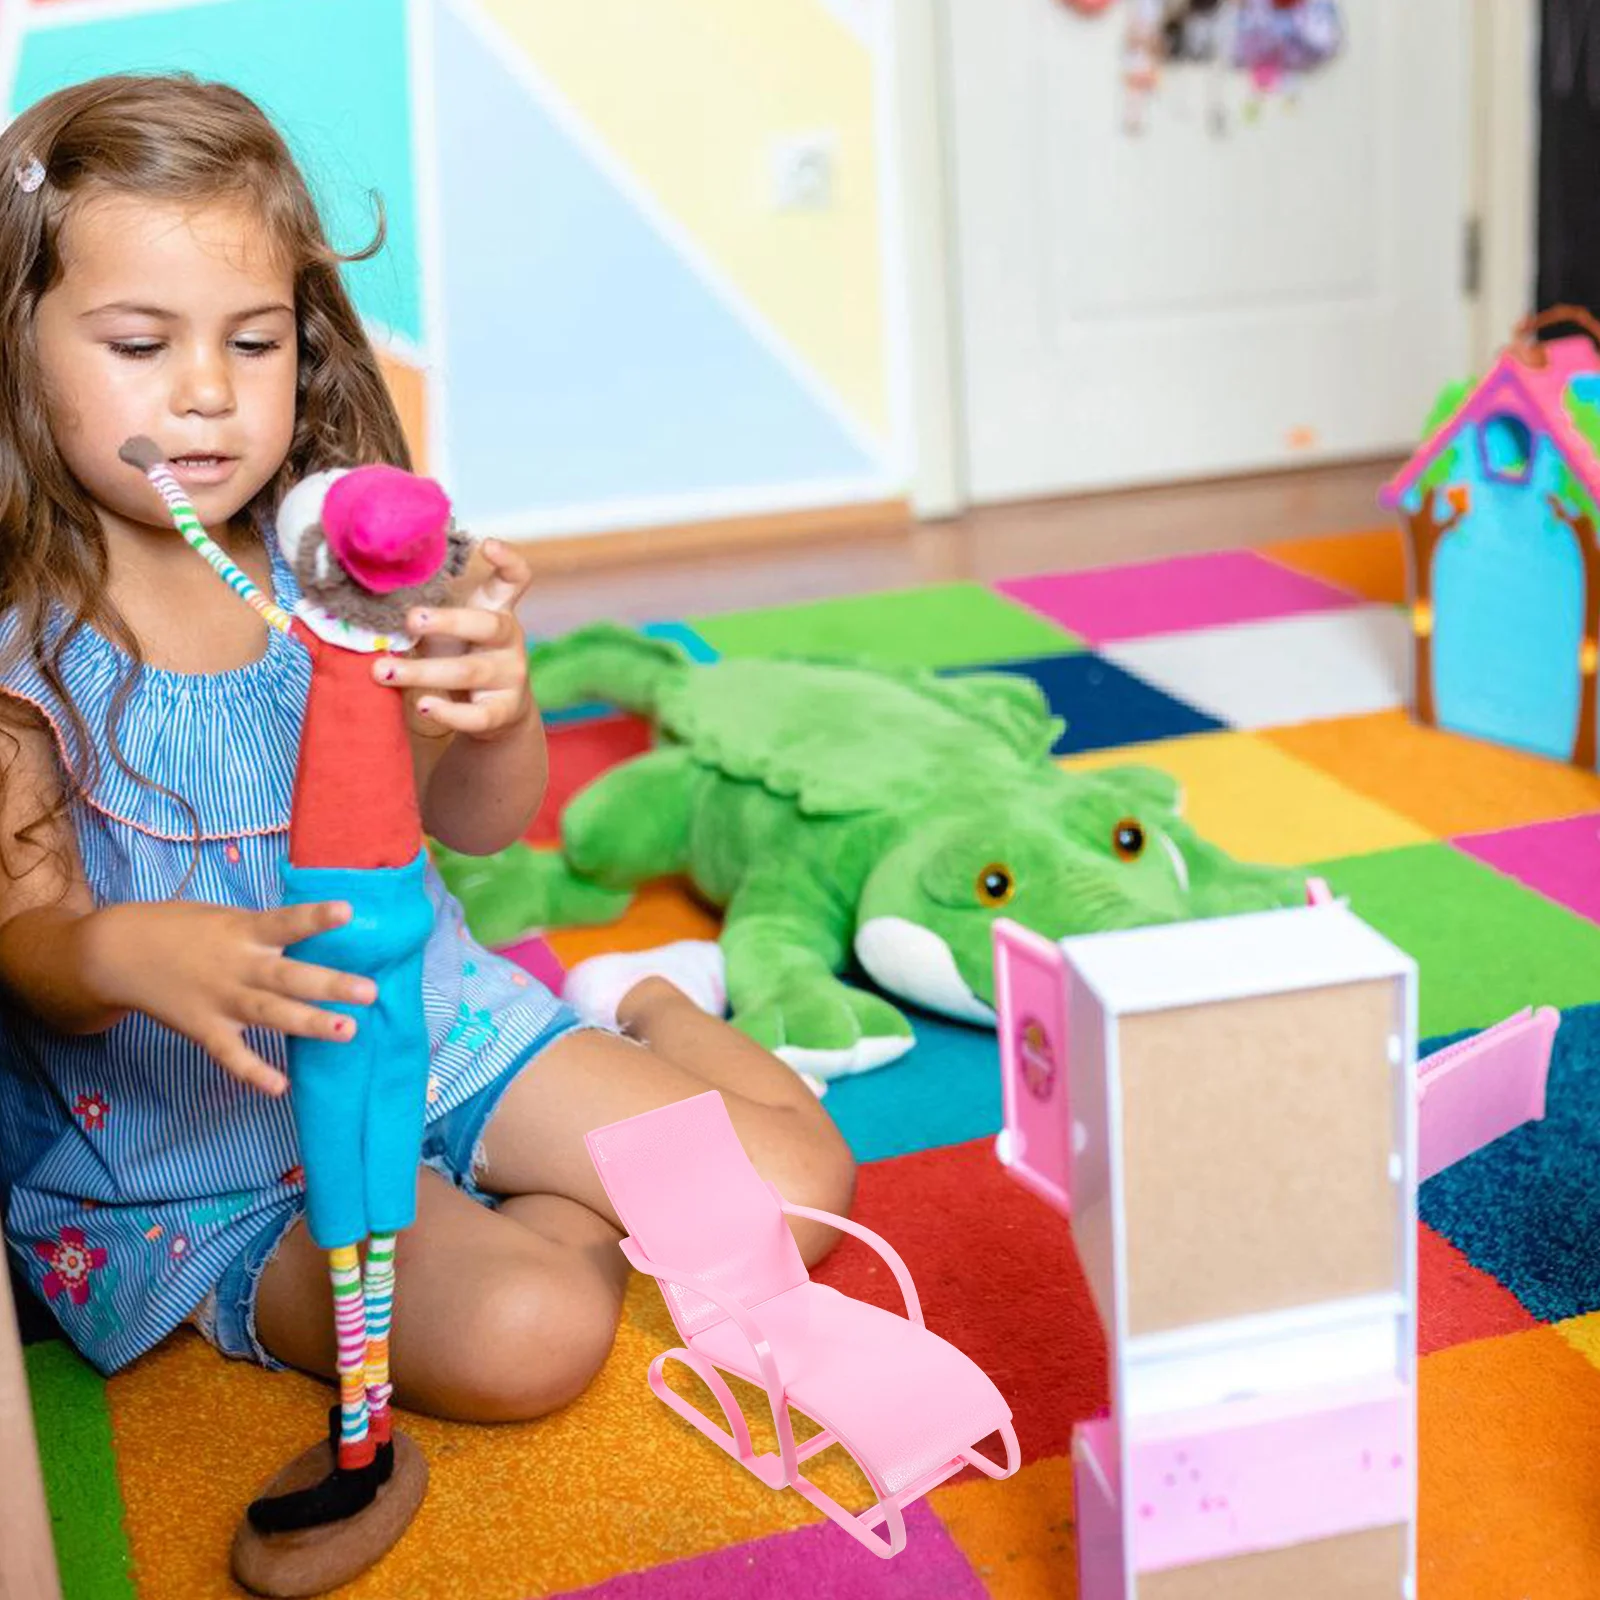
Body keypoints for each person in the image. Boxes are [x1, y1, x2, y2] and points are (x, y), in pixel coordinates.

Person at [0, 74, 855, 1452]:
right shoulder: (22, 662)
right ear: (19, 349)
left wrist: (495, 715)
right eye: (142, 342)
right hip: (209, 1159)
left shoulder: (338, 577)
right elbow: (23, 940)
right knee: (531, 1336)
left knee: (802, 1188)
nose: (211, 392)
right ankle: (539, 1215)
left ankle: (637, 998)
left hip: (441, 1035)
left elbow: (476, 826)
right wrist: (118, 955)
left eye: (256, 341)